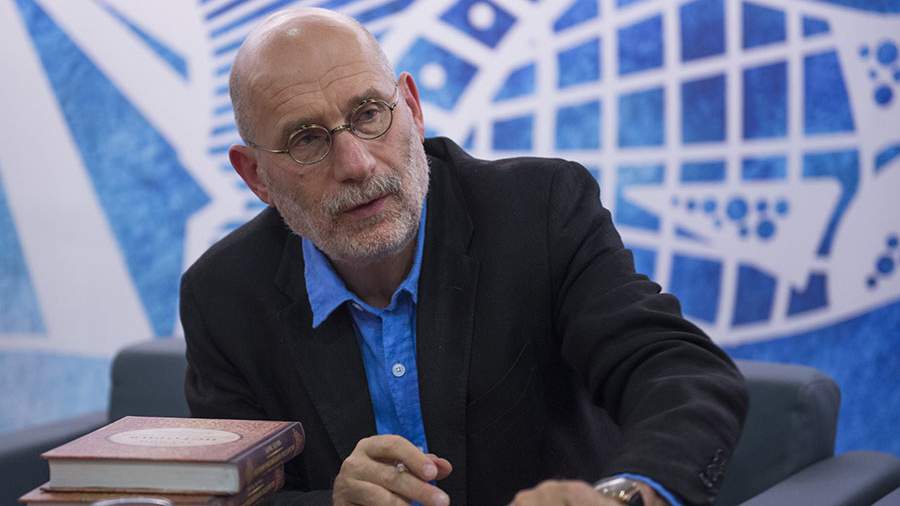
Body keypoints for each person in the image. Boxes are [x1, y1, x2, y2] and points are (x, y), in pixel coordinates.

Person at [180, 7, 748, 506]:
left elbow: (677, 373)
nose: (356, 164)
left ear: (412, 108)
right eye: (307, 140)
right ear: (255, 175)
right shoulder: (222, 295)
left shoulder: (540, 212)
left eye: (370, 113)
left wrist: (626, 495)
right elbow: (231, 495)